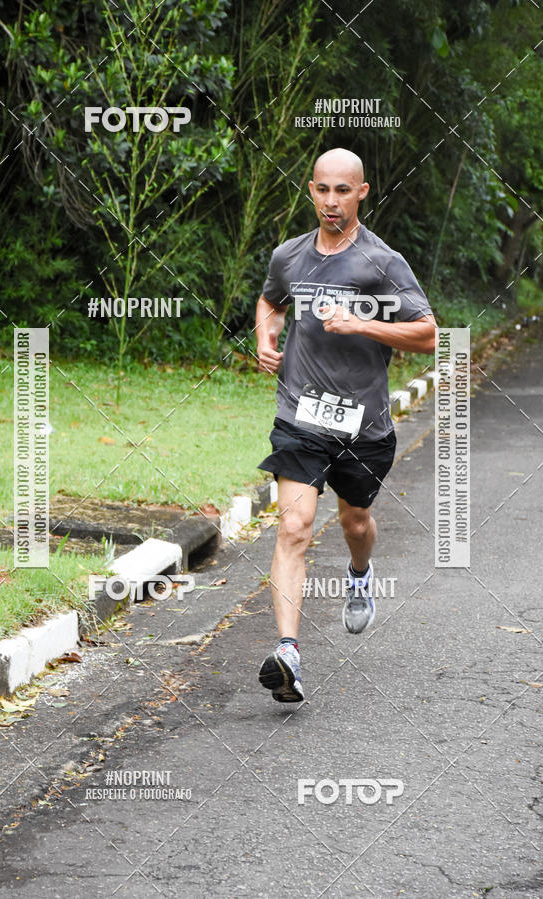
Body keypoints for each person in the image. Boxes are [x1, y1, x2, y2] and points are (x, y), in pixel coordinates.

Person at [255, 147, 436, 703]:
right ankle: (288, 651)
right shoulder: (290, 256)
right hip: (300, 417)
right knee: (294, 527)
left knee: (356, 522)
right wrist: (265, 335)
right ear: (310, 189)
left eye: (342, 191)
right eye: (322, 190)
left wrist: (363, 324)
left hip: (363, 425)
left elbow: (429, 333)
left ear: (362, 192)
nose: (330, 201)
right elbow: (271, 300)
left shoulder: (384, 263)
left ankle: (360, 574)